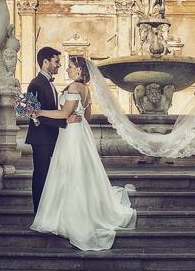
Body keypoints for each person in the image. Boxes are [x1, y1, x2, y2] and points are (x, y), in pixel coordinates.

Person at [31, 56, 137, 250]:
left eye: (71, 67)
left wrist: (39, 112)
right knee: (81, 170)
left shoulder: (73, 87)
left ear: (79, 70)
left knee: (70, 171)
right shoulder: (86, 89)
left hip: (72, 134)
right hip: (81, 132)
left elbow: (64, 114)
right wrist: (73, 115)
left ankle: (70, 214)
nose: (68, 70)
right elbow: (85, 115)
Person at [25, 47, 69, 212]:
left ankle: (48, 211)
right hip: (41, 138)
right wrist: (64, 121)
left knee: (49, 176)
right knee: (41, 175)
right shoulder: (35, 84)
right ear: (45, 62)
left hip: (50, 137)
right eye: (56, 61)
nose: (58, 65)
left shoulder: (49, 83)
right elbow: (32, 112)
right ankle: (39, 212)